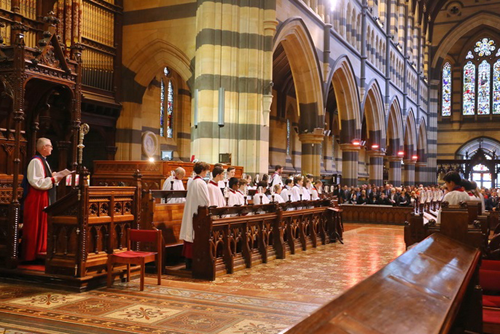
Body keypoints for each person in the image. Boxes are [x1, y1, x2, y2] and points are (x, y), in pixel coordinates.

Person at [22, 138, 68, 262]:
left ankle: (40, 251)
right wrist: (53, 179)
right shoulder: (36, 162)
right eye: (50, 146)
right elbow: (35, 182)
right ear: (43, 147)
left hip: (43, 196)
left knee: (42, 224)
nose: (52, 148)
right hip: (36, 198)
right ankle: (31, 255)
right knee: (35, 225)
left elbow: (43, 178)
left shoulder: (44, 161)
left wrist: (54, 177)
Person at [179, 161, 210, 270]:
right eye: (206, 171)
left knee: (190, 236)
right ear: (202, 170)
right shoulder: (200, 183)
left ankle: (189, 262)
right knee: (194, 237)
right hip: (198, 215)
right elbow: (205, 201)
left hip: (193, 212)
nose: (206, 173)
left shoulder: (193, 182)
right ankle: (194, 263)